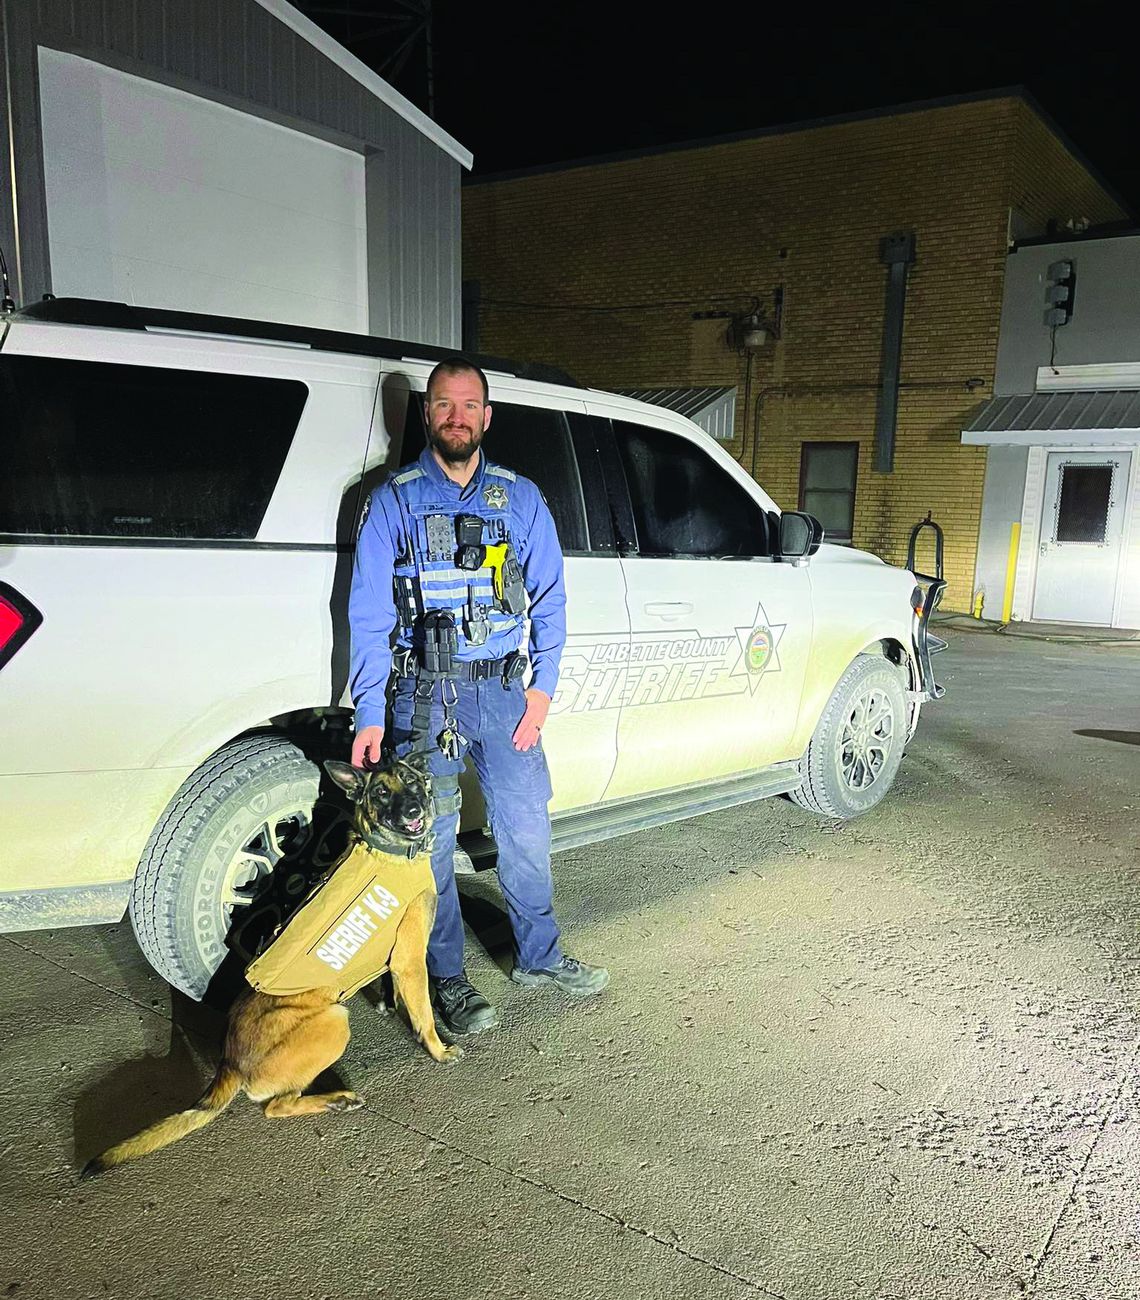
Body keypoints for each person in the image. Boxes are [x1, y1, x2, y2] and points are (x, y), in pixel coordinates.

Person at [347, 357, 609, 1035]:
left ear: (487, 417)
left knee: (526, 826)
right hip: (421, 695)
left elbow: (550, 598)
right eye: (443, 404)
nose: (456, 416)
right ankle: (447, 981)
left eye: (469, 405)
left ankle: (540, 955)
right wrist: (371, 711)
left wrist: (543, 690)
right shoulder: (393, 500)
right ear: (426, 414)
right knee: (429, 841)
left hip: (501, 693)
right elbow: (370, 616)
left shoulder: (521, 499)